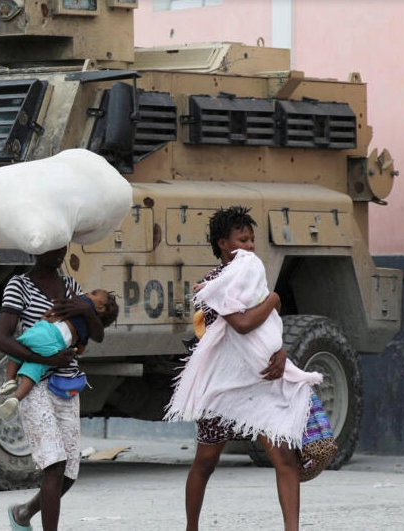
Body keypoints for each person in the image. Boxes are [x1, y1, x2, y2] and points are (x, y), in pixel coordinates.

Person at [164, 206, 322, 531]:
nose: (250, 247)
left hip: (261, 384)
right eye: (243, 239)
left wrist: (281, 352)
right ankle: (190, 528)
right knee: (205, 463)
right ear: (224, 243)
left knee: (284, 460)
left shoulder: (256, 280)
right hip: (222, 388)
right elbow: (244, 324)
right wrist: (276, 298)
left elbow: (267, 331)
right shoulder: (213, 284)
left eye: (252, 241)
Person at [0, 246, 104, 531]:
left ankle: (23, 513)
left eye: (61, 246)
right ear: (35, 246)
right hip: (35, 384)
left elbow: (96, 335)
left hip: (66, 384)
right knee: (54, 465)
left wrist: (85, 310)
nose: (58, 252)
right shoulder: (19, 285)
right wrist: (45, 359)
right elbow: (2, 339)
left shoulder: (71, 286)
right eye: (50, 246)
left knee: (69, 472)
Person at [0, 288, 118, 419]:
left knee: (17, 349)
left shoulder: (81, 302)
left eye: (93, 294)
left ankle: (9, 380)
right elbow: (80, 350)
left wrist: (45, 317)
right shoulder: (89, 329)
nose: (88, 293)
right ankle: (15, 398)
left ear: (101, 308)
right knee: (34, 369)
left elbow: (54, 312)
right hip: (57, 347)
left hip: (46, 331)